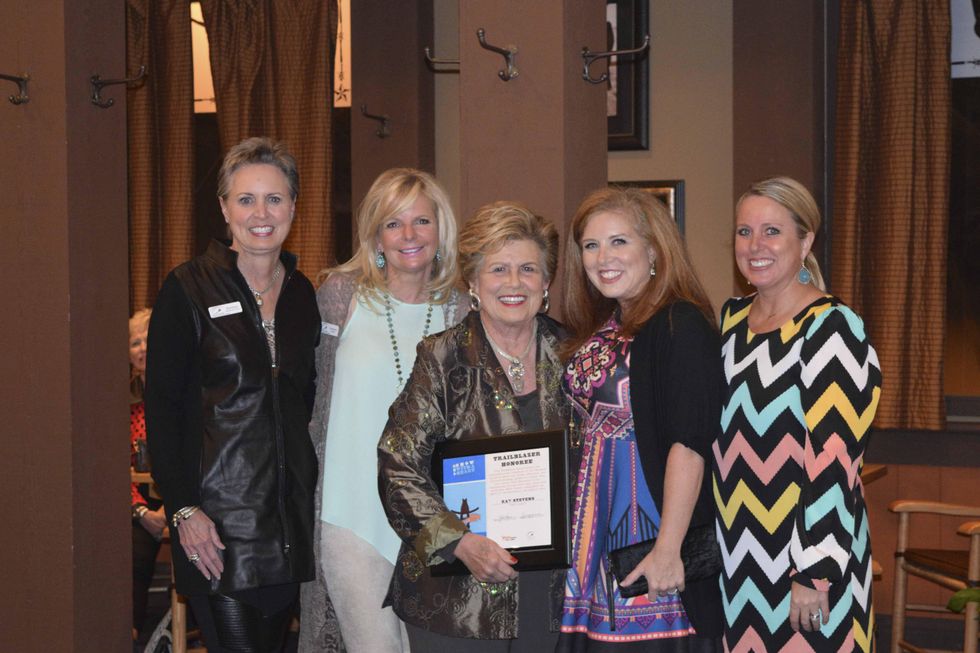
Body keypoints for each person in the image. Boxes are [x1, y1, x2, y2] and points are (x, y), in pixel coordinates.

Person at [145, 137, 320, 652]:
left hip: (288, 520)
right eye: (245, 199)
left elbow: (303, 401)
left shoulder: (303, 294)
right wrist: (183, 510)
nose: (260, 213)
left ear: (293, 206)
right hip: (216, 525)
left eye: (274, 198)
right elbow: (162, 408)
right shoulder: (187, 289)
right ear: (224, 209)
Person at [377, 201, 569, 651]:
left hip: (554, 591)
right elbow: (397, 465)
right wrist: (458, 542)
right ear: (474, 283)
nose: (514, 283)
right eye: (498, 269)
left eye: (528, 269)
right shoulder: (442, 359)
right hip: (455, 596)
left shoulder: (573, 353)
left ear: (546, 283)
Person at [298, 168, 466, 653]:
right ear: (375, 235)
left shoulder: (461, 309)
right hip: (351, 518)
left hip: (438, 521)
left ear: (441, 231)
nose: (409, 235)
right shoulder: (340, 297)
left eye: (421, 221)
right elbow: (306, 397)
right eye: (393, 223)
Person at [713, 177, 881, 651]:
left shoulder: (832, 328)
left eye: (772, 231)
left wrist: (815, 570)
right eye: (744, 232)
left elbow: (835, 458)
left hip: (805, 561)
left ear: (805, 241)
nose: (755, 245)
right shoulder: (730, 321)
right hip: (738, 557)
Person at [558, 187, 724, 650]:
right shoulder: (610, 322)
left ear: (653, 249)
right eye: (591, 245)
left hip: (648, 525)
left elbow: (690, 443)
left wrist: (668, 549)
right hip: (594, 531)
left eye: (619, 242)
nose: (602, 257)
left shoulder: (679, 323)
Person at [129, 307, 167, 641]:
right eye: (135, 342)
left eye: (149, 340)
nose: (142, 348)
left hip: (182, 503)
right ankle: (131, 635)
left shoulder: (182, 393)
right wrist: (143, 513)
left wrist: (173, 508)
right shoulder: (119, 402)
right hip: (139, 506)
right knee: (132, 555)